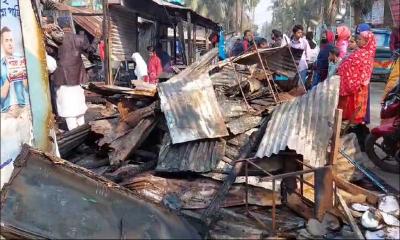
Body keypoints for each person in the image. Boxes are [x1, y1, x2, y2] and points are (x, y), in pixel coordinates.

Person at [53, 16, 98, 131]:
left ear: (59, 25)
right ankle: (81, 132)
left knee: (67, 108)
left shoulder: (55, 40)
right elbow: (91, 50)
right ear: (70, 24)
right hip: (77, 78)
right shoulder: (79, 39)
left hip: (62, 79)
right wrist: (97, 38)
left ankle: (74, 132)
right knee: (79, 107)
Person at [338, 31, 376, 125]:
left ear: (367, 41)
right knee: (352, 111)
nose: (358, 41)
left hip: (357, 86)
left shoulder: (364, 54)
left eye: (360, 39)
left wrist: (344, 68)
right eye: (357, 39)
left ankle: (352, 126)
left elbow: (360, 69)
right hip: (358, 84)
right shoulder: (362, 52)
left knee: (353, 110)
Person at [1, 27, 29, 114]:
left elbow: (29, 89)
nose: (10, 43)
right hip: (7, 112)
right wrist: (9, 79)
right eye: (6, 40)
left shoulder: (22, 59)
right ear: (1, 43)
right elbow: (1, 96)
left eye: (11, 40)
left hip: (24, 109)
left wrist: (24, 76)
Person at [383, 26, 400, 99]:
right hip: (396, 53)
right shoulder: (395, 32)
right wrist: (394, 52)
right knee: (393, 76)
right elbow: (391, 44)